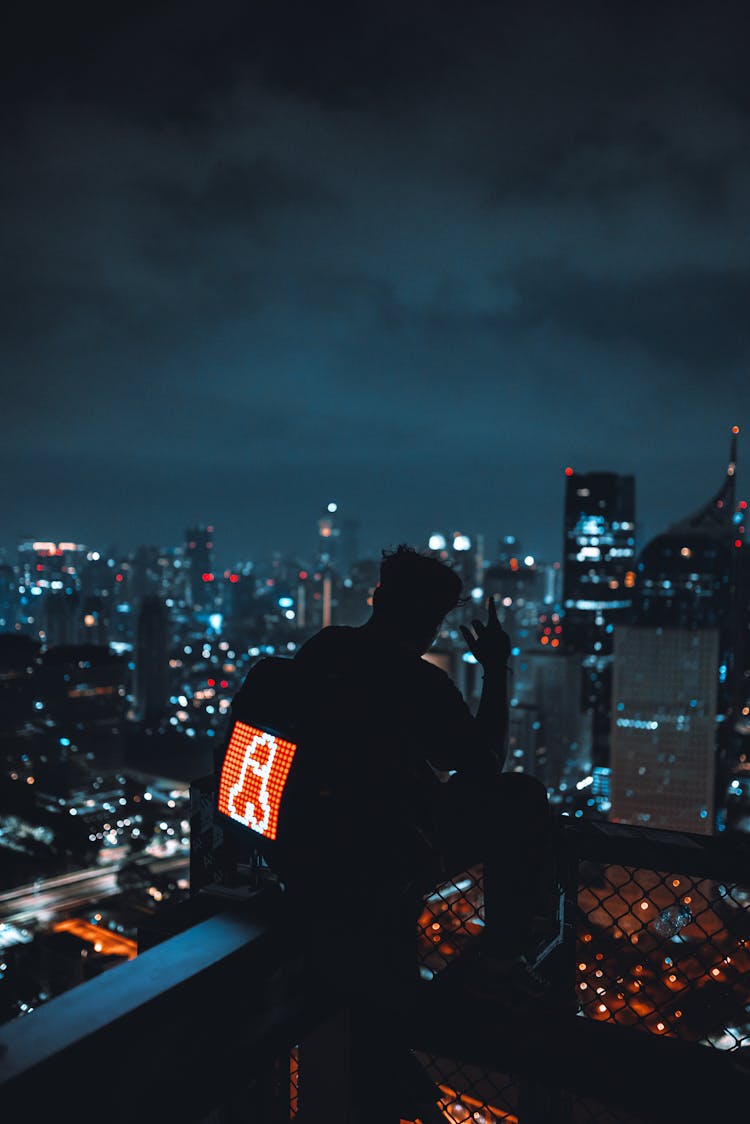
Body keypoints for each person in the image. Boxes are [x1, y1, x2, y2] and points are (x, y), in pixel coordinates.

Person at [288, 543, 556, 1007]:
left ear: (377, 598)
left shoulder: (324, 647)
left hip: (308, 844)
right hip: (384, 849)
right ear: (431, 621)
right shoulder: (417, 682)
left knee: (372, 1011)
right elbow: (485, 764)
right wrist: (495, 670)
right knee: (521, 795)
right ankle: (500, 963)